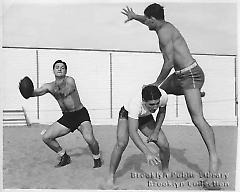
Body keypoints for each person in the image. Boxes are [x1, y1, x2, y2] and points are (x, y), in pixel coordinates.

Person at [121, 3, 219, 176]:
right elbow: (146, 21)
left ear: (153, 19)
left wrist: (156, 83)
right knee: (158, 96)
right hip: (179, 77)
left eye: (147, 21)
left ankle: (213, 159)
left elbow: (169, 63)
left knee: (197, 118)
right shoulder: (159, 25)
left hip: (191, 76)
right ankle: (193, 94)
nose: (146, 24)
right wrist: (135, 16)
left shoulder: (165, 33)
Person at [29, 60, 102, 168]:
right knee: (46, 137)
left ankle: (97, 158)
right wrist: (27, 92)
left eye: (62, 67)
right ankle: (64, 156)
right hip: (67, 117)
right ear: (53, 70)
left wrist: (58, 90)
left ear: (65, 71)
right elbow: (35, 92)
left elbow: (69, 89)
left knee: (89, 139)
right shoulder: (49, 86)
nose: (59, 69)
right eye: (57, 67)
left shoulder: (69, 80)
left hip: (80, 114)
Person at [102, 85, 169, 188]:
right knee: (121, 144)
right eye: (151, 104)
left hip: (145, 117)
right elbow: (133, 132)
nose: (155, 107)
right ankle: (110, 176)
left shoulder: (163, 96)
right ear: (143, 100)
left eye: (157, 103)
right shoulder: (135, 104)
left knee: (164, 144)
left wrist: (155, 132)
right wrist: (147, 153)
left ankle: (165, 169)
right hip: (127, 114)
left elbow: (162, 112)